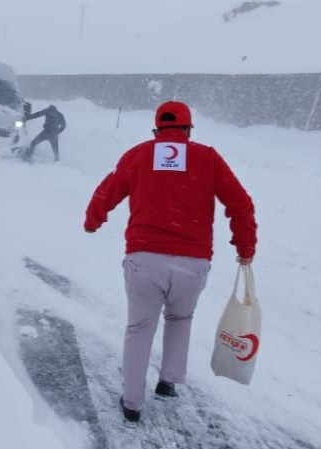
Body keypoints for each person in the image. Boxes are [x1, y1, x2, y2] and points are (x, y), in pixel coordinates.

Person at [83, 101, 257, 426]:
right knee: (180, 318)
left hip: (144, 260)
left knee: (139, 329)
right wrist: (245, 247)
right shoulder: (208, 158)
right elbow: (241, 204)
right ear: (189, 131)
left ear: (156, 131)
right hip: (193, 264)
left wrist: (93, 221)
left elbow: (107, 192)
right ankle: (168, 382)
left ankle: (132, 402)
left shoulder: (138, 155)